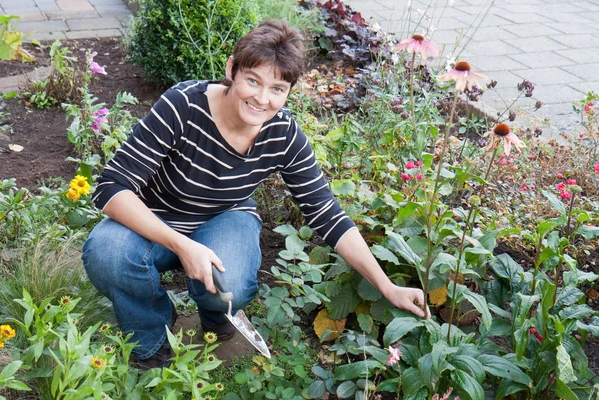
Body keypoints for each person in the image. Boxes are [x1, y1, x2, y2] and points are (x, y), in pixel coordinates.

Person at [82, 20, 430, 370]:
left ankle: (216, 313)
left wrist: (388, 287)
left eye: (277, 88)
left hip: (224, 216)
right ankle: (152, 334)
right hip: (156, 215)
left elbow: (327, 214)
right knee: (107, 253)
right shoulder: (183, 106)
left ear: (290, 91)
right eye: (253, 81)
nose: (262, 99)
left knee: (230, 283)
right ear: (232, 69)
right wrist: (182, 245)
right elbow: (111, 187)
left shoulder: (283, 135)